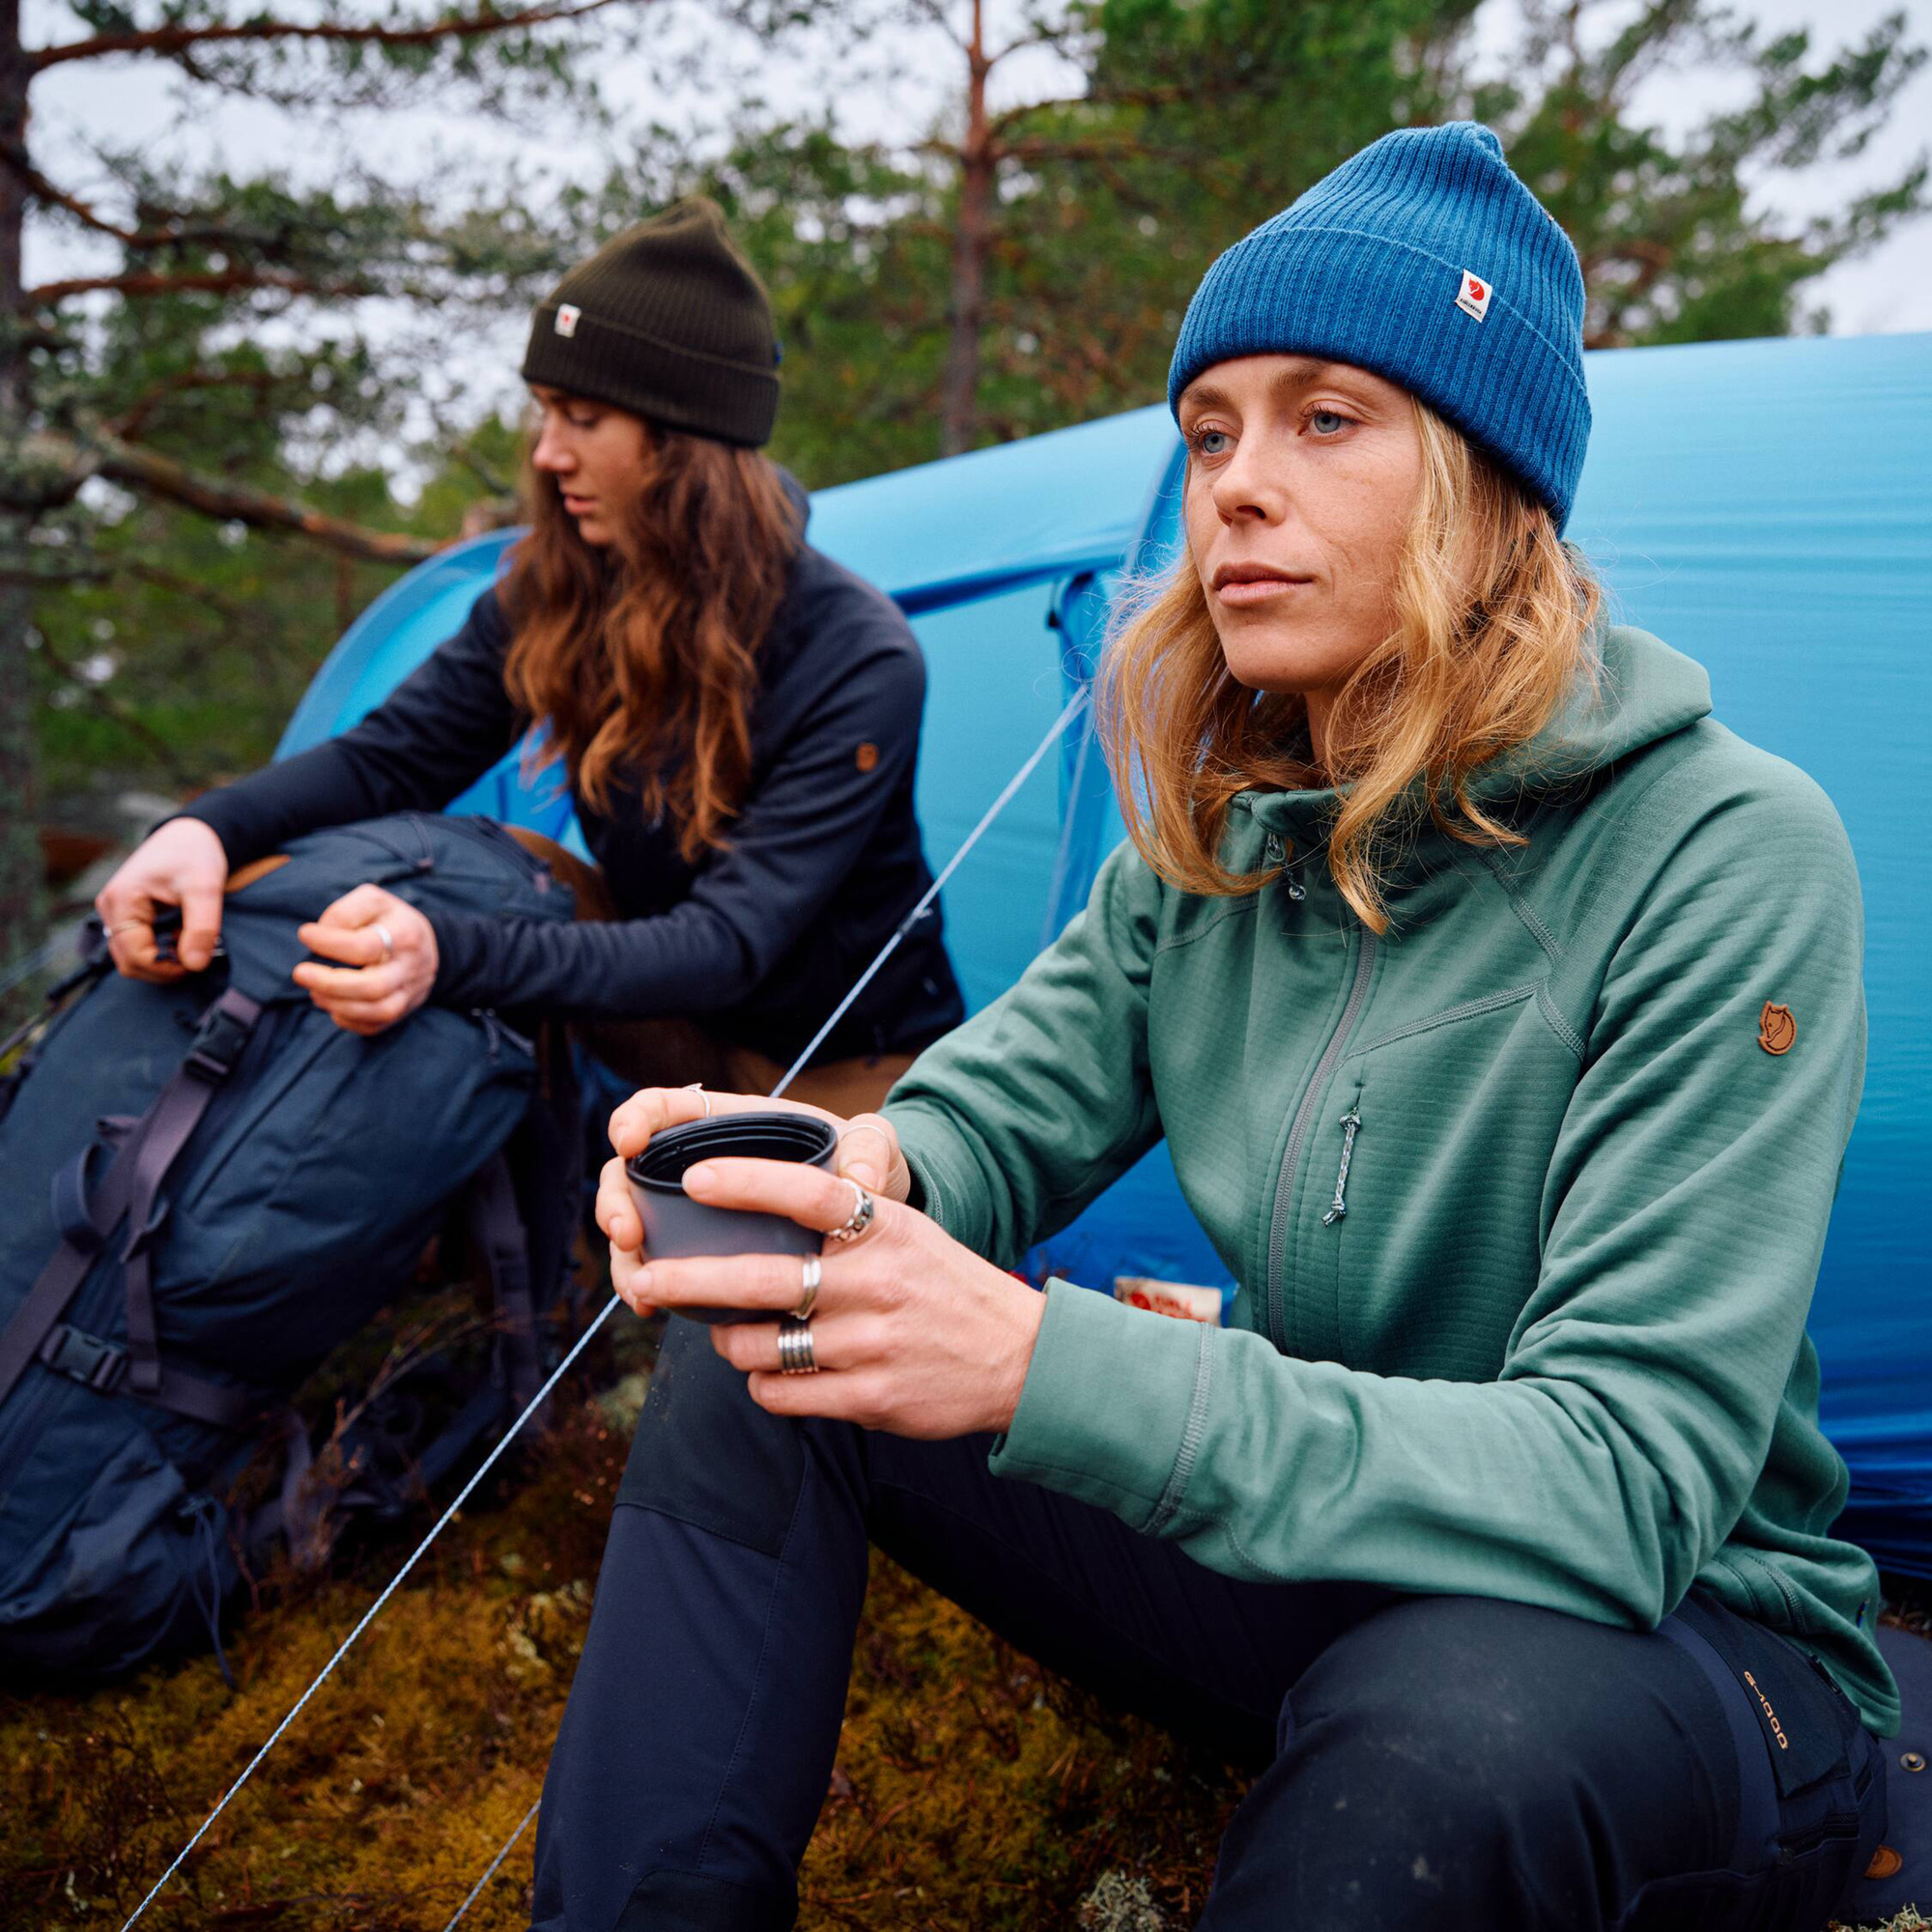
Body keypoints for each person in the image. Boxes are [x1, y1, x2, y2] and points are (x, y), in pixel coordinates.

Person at [538, 126, 1895, 1931]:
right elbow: (989, 1116)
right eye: (1208, 433)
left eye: (1325, 419)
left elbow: (1626, 1479)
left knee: (1441, 1743)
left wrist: (1040, 1362)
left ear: (1490, 485)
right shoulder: (1226, 834)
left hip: (1674, 1637)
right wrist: (827, 1178)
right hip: (1323, 1562)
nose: (1238, 486)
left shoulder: (1723, 848)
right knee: (784, 1324)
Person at [93, 199, 964, 1112]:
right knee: (510, 864)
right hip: (661, 1017)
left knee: (762, 1196)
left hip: (840, 1065)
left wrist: (446, 952)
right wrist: (203, 831)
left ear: (685, 444)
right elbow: (391, 759)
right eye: (546, 413)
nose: (548, 454)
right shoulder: (564, 588)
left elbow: (727, 945)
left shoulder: (857, 657)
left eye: (583, 417)